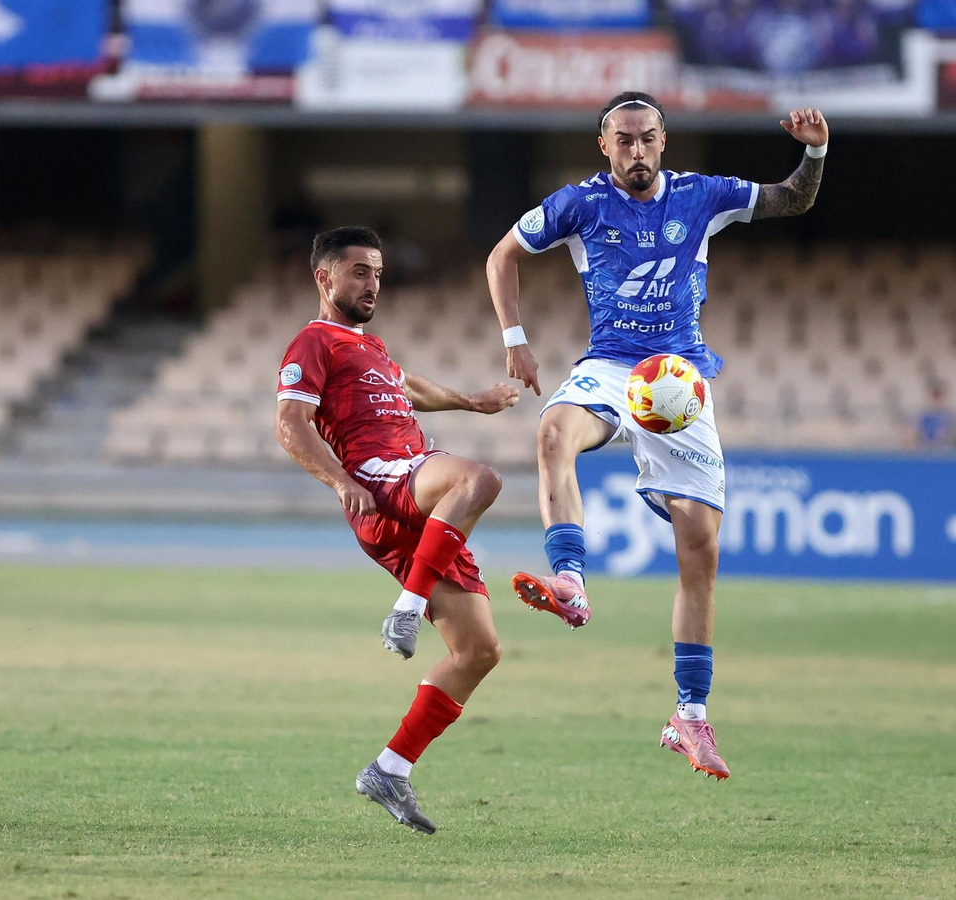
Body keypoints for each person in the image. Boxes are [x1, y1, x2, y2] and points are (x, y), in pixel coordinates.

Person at [486, 92, 827, 780]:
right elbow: (502, 256)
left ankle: (690, 717)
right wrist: (515, 339)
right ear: (604, 145)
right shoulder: (580, 204)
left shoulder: (702, 196)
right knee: (553, 431)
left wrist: (815, 150)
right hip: (612, 367)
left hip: (678, 379)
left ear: (664, 141)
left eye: (647, 138)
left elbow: (793, 199)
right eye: (624, 139)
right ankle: (570, 579)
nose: (636, 150)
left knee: (699, 550)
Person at [274, 227, 519, 834]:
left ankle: (390, 768)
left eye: (378, 273)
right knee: (479, 479)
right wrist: (339, 481)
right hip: (382, 479)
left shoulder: (373, 349)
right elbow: (290, 422)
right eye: (359, 272)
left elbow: (408, 387)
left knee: (479, 651)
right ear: (324, 278)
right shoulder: (313, 341)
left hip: (414, 501)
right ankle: (405, 610)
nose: (372, 284)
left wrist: (471, 401)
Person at [914, 382, 956, 450]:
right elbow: (920, 430)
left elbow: (950, 434)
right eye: (934, 397)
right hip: (927, 447)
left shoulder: (948, 416)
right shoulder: (925, 415)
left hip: (944, 448)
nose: (936, 401)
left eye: (938, 398)